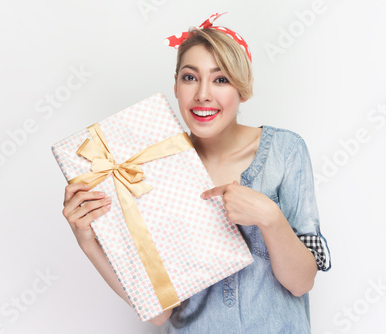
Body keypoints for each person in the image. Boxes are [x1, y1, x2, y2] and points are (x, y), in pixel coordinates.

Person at [62, 12, 330, 333]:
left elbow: (301, 282)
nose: (203, 94)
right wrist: (88, 241)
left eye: (221, 79)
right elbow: (159, 313)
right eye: (190, 77)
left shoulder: (285, 151)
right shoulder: (146, 172)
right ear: (175, 86)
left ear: (243, 88)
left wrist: (269, 217)